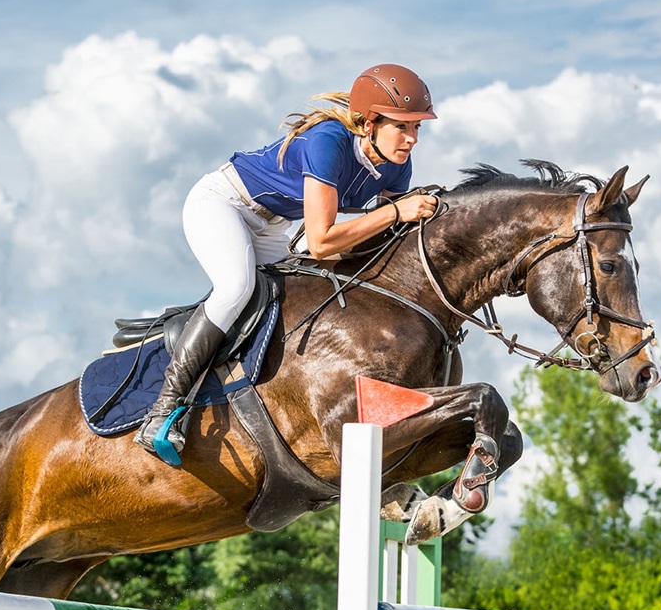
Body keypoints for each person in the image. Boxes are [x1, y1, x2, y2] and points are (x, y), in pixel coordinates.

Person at [135, 63, 439, 454]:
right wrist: (398, 211)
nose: (412, 138)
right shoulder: (329, 141)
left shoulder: (396, 165)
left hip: (272, 226)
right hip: (223, 203)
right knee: (237, 288)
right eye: (403, 126)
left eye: (417, 127)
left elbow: (378, 236)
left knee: (302, 294)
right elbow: (321, 241)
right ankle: (163, 409)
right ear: (368, 124)